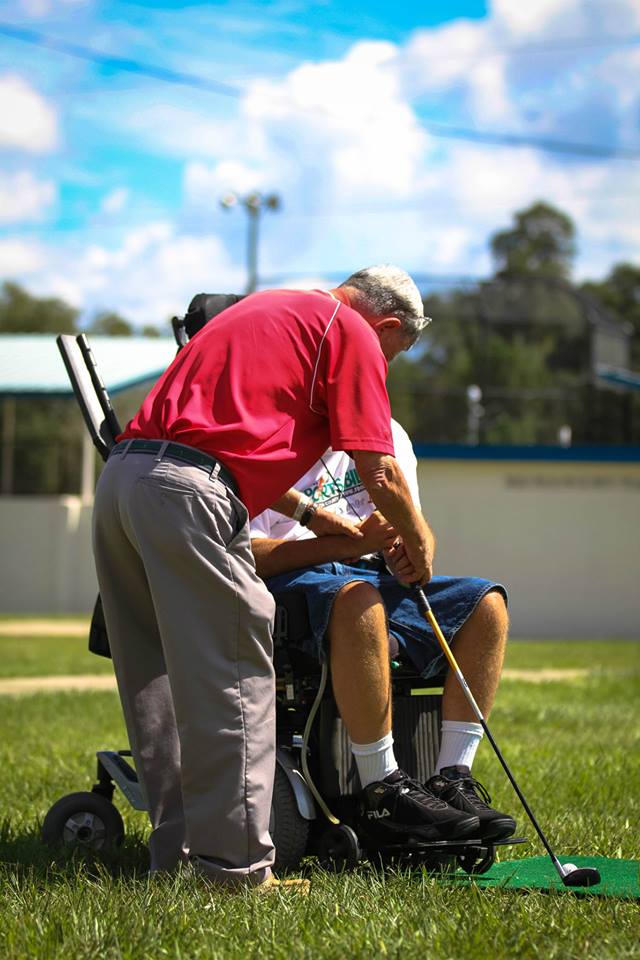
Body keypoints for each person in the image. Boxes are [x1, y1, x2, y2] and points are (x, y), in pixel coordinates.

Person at [92, 264, 473, 890]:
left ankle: (180, 858)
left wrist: (320, 517)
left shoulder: (271, 310)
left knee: (155, 681)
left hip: (127, 479)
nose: (385, 368)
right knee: (238, 673)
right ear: (388, 324)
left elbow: (231, 435)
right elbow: (378, 470)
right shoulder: (347, 329)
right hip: (191, 493)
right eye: (395, 354)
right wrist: (418, 539)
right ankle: (237, 871)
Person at [250, 418, 517, 844]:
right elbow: (249, 556)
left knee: (486, 607)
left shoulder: (390, 434)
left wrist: (415, 548)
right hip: (297, 578)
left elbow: (416, 526)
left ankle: (453, 778)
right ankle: (382, 789)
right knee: (361, 602)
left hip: (373, 577)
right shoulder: (268, 433)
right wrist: (347, 546)